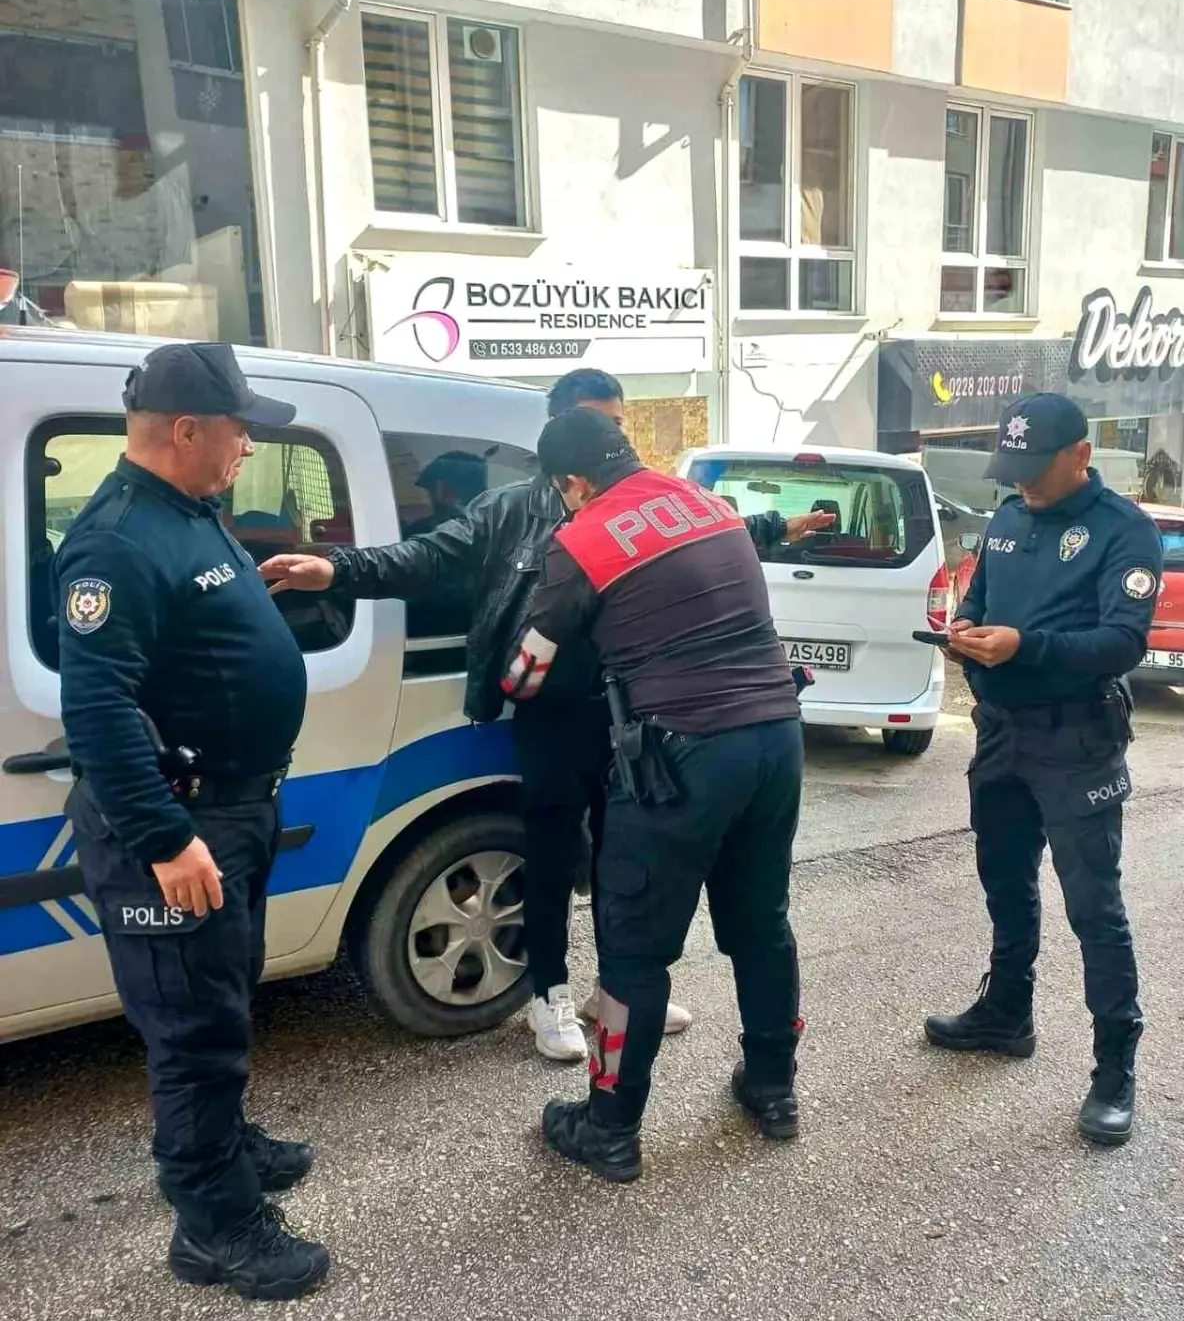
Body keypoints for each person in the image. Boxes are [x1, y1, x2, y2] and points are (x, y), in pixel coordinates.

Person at [261, 369, 832, 1065]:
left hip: (631, 715)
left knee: (623, 859)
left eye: (618, 423)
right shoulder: (513, 508)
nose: (612, 436)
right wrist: (337, 570)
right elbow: (430, 555)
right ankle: (549, 992)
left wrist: (782, 526)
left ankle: (613, 991)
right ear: (559, 435)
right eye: (598, 421)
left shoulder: (640, 502)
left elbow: (713, 527)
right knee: (552, 853)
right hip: (551, 713)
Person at [55, 342, 330, 1299]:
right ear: (185, 429)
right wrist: (167, 840)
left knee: (225, 993)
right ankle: (215, 1225)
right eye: (239, 428)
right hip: (181, 820)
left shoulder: (189, 512)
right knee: (192, 1027)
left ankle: (227, 1141)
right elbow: (96, 710)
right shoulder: (117, 542)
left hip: (235, 807)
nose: (248, 445)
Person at [501, 407, 806, 1183]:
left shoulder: (584, 538)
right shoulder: (711, 506)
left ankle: (609, 1125)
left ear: (572, 482)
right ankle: (773, 1087)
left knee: (634, 948)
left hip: (681, 752)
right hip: (776, 737)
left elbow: (526, 673)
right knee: (761, 923)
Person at [925, 392, 1162, 1147]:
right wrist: (964, 634)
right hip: (1001, 734)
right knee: (1005, 881)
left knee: (1094, 906)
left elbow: (1123, 642)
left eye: (1035, 467)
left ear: (1080, 455)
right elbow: (979, 601)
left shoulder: (1124, 530)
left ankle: (1115, 1067)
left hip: (1076, 739)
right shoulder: (1007, 518)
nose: (1022, 481)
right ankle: (1007, 1012)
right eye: (1012, 466)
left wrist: (1024, 646)